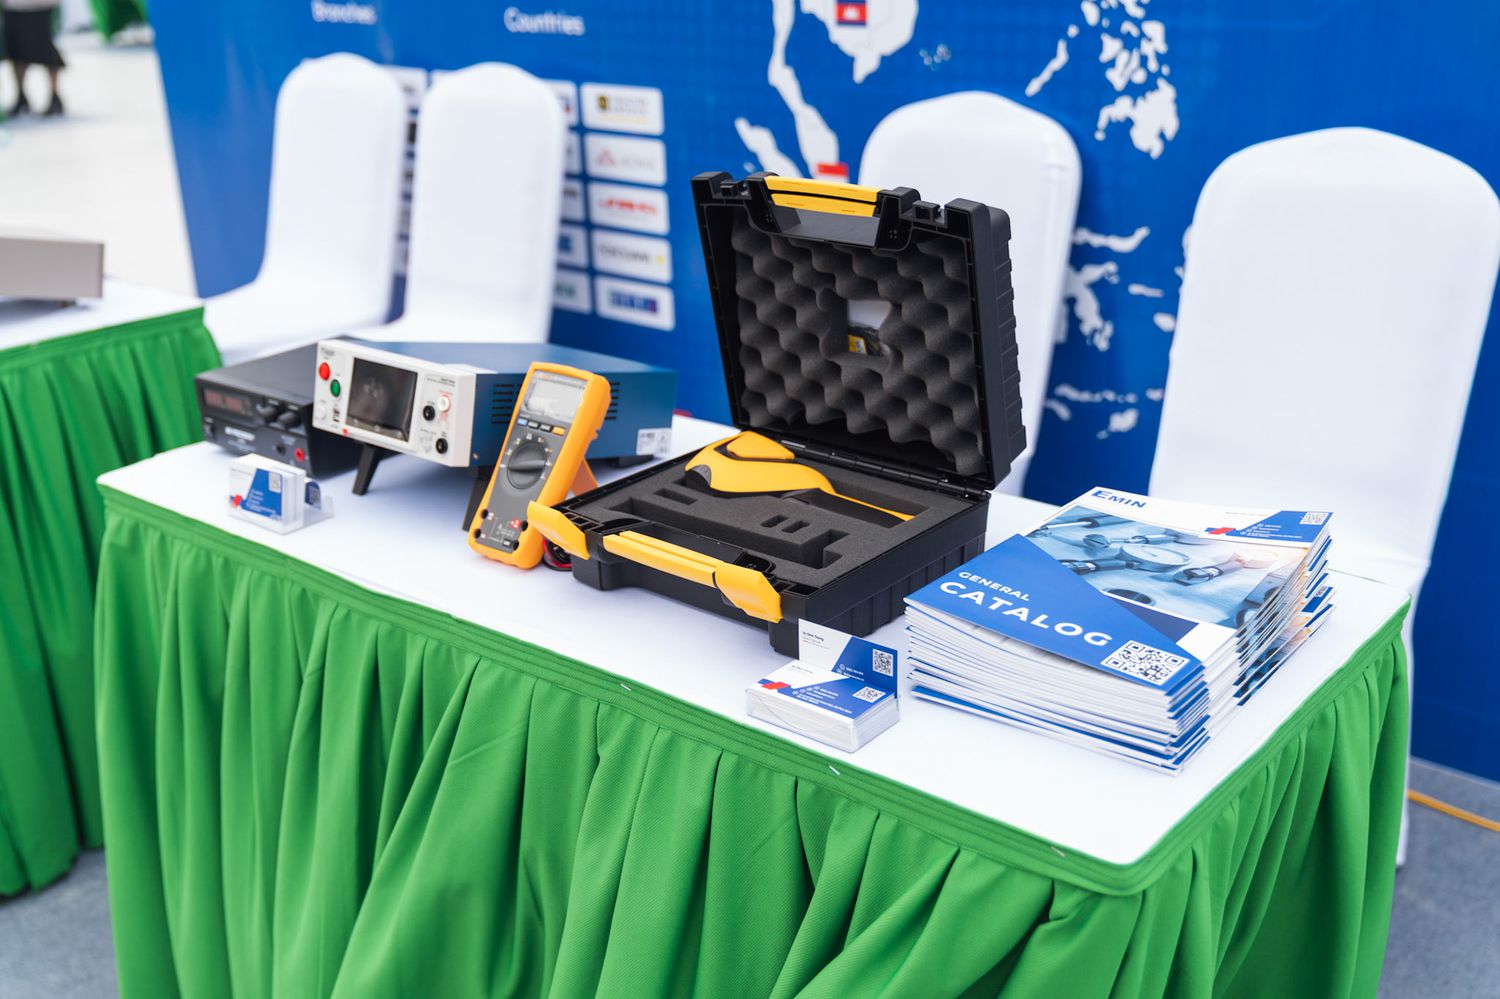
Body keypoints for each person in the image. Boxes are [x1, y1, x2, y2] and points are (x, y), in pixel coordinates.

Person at [2, 0, 65, 117]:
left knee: (46, 52)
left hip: (40, 6)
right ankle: (21, 96)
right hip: (13, 7)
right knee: (16, 52)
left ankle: (54, 96)